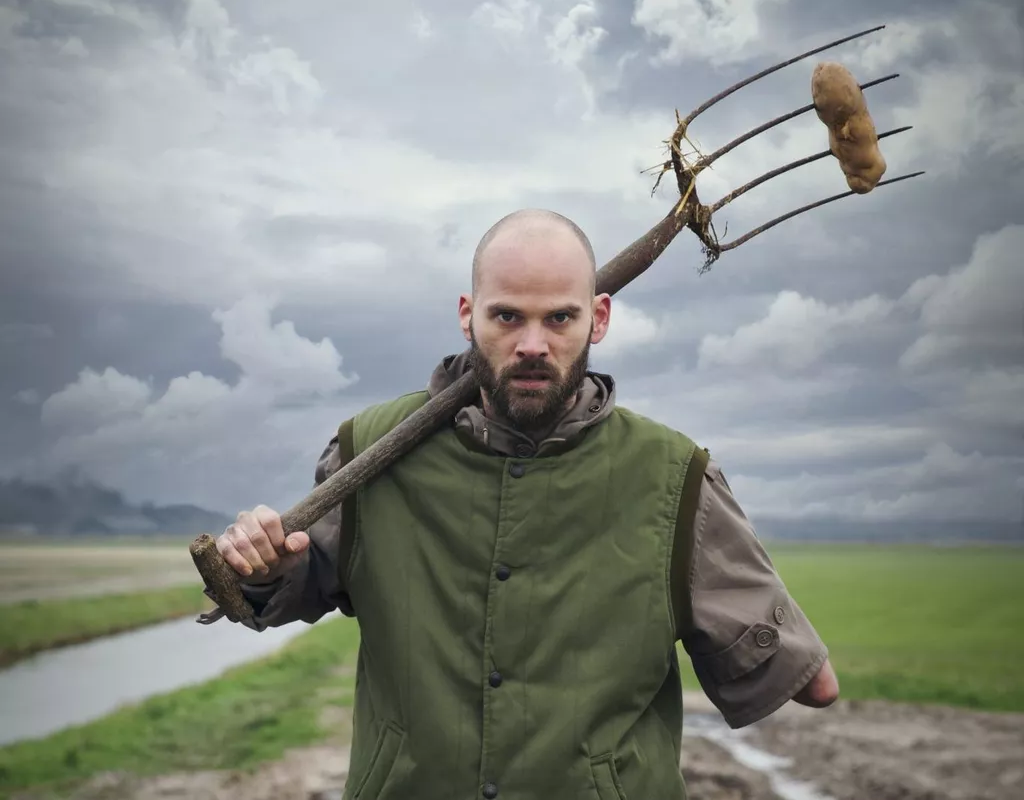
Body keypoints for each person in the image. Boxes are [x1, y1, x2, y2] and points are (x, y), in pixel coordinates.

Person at [209, 208, 838, 799]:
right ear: (468, 314)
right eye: (508, 317)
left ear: (600, 318)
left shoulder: (675, 478)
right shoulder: (366, 451)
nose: (532, 344)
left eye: (559, 318)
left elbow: (811, 684)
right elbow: (288, 585)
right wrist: (265, 566)